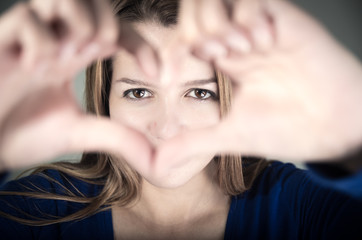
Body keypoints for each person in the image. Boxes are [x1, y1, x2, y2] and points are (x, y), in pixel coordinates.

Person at [0, 0, 361, 239]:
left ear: (229, 98)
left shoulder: (303, 208)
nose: (167, 128)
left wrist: (351, 134)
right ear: (106, 97)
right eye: (138, 93)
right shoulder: (36, 212)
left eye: (200, 93)